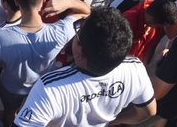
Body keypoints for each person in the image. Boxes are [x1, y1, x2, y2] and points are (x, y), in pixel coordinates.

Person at [14, 7, 156, 127]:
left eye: (79, 30)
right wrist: (113, 121)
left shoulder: (49, 88)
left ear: (79, 51)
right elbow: (149, 111)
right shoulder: (136, 69)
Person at [0, 0, 90, 126]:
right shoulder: (60, 31)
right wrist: (68, 2)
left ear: (16, 1)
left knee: (10, 113)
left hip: (10, 87)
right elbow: (87, 11)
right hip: (44, 89)